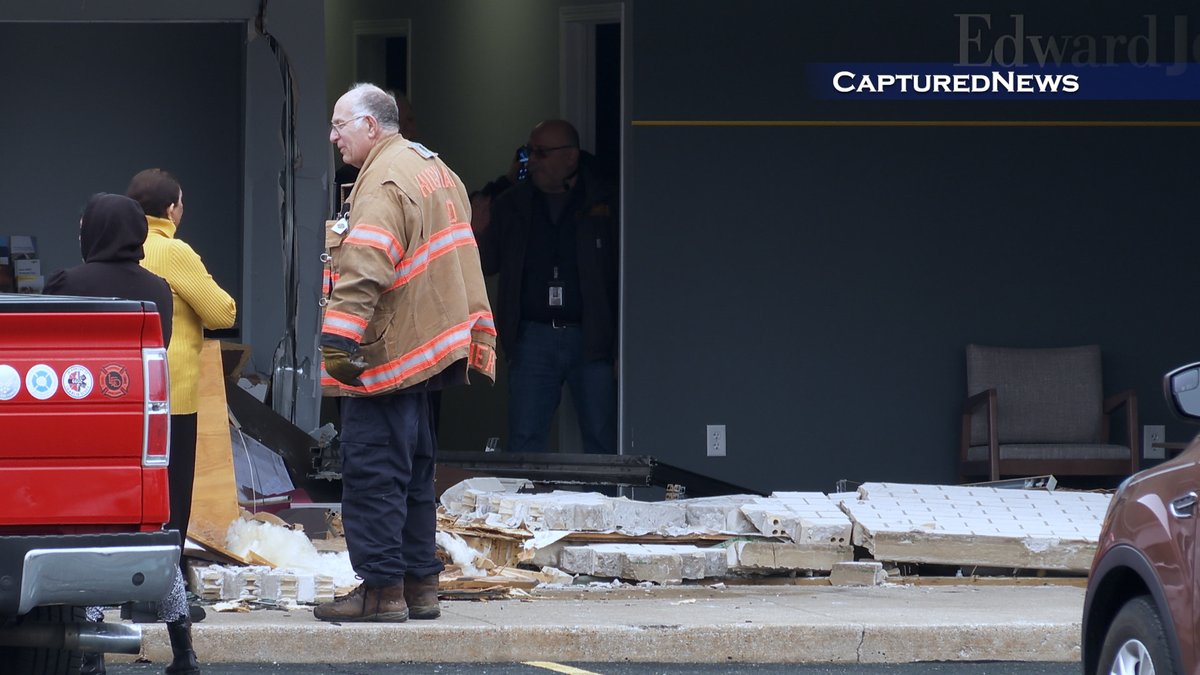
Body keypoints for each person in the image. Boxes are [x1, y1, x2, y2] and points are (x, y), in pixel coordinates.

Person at [317, 82, 496, 623]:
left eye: (339, 125)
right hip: (430, 350)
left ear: (371, 126)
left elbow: (367, 264)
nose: (332, 136)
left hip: (388, 355)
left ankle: (380, 592)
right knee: (416, 474)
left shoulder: (382, 183)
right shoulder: (433, 168)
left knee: (373, 473)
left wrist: (338, 342)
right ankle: (420, 586)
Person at [44, 193, 195, 675]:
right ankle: (184, 652)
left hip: (81, 428)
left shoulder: (67, 282)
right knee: (153, 530)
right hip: (140, 426)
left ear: (93, 232)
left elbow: (49, 352)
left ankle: (91, 655)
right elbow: (160, 348)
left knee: (86, 532)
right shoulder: (158, 289)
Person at [474, 120, 619, 454]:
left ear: (571, 157)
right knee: (525, 441)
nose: (532, 160)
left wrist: (619, 348)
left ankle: (605, 507)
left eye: (541, 152)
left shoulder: (604, 201)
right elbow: (489, 263)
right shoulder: (514, 204)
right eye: (528, 152)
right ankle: (526, 506)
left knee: (602, 440)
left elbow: (620, 273)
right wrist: (478, 232)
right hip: (532, 337)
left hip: (592, 338)